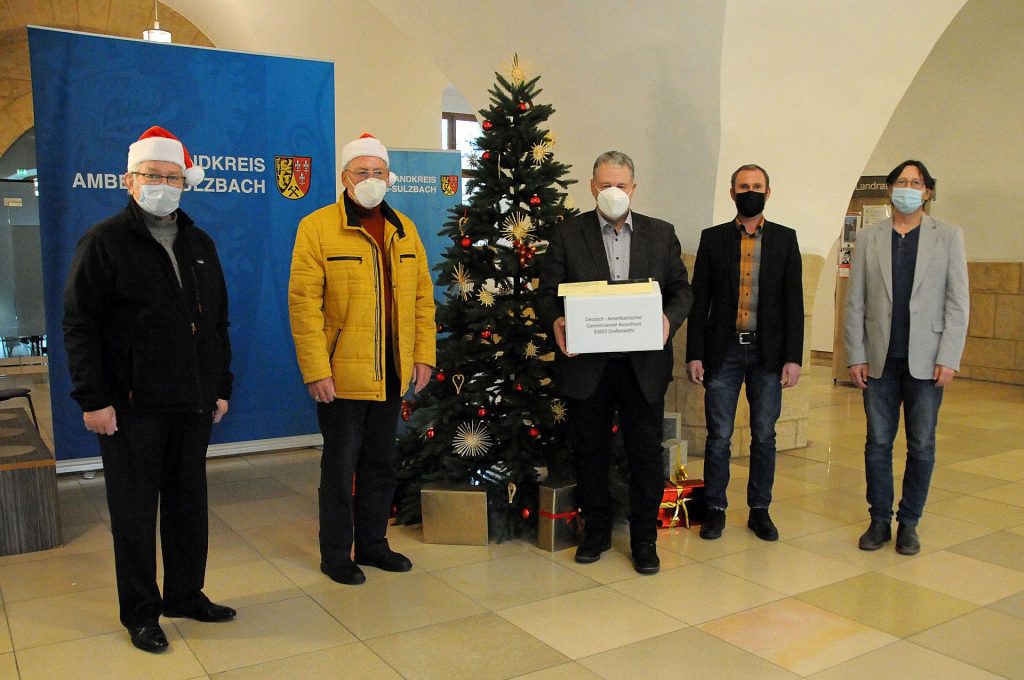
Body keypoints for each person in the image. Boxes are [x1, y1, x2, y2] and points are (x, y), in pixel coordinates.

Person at [63, 126, 235, 653]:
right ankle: (141, 611)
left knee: (188, 506)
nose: (163, 185)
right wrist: (93, 399)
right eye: (152, 176)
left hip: (192, 403)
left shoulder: (199, 243)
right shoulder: (105, 241)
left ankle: (186, 594)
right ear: (129, 181)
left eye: (172, 177)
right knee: (135, 515)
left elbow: (217, 324)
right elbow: (79, 324)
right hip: (129, 408)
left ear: (185, 183)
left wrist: (220, 387)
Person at [288, 134, 436, 586]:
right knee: (339, 466)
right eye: (362, 173)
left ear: (389, 177)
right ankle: (335, 553)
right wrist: (316, 368)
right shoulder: (316, 228)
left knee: (380, 463)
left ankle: (373, 544)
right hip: (341, 375)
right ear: (345, 178)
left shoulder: (404, 229)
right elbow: (303, 304)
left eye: (378, 173)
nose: (371, 181)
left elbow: (423, 300)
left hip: (392, 371)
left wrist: (423, 356)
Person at [537, 151, 692, 575]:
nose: (613, 192)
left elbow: (682, 291)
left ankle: (644, 539)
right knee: (590, 453)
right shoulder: (568, 235)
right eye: (605, 185)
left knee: (645, 454)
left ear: (633, 188)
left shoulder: (661, 235)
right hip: (588, 366)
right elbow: (546, 293)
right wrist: (557, 321)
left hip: (644, 366)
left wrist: (667, 320)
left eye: (620, 185)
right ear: (592, 187)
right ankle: (597, 533)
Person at [845, 159, 969, 556]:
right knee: (878, 443)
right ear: (890, 188)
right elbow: (855, 301)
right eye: (902, 181)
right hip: (880, 359)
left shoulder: (948, 236)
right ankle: (879, 520)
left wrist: (949, 356)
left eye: (916, 182)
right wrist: (855, 354)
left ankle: (909, 522)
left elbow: (957, 302)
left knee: (921, 445)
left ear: (928, 192)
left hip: (927, 361)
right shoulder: (869, 238)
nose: (908, 187)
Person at [687, 164, 804, 542]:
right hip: (723, 352)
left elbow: (793, 303)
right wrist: (695, 354)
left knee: (764, 436)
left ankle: (759, 510)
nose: (749, 191)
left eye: (756, 186)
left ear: (768, 192)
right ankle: (715, 509)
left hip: (767, 355)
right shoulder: (714, 238)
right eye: (743, 186)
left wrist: (793, 357)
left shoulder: (786, 239)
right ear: (732, 193)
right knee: (718, 435)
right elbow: (699, 300)